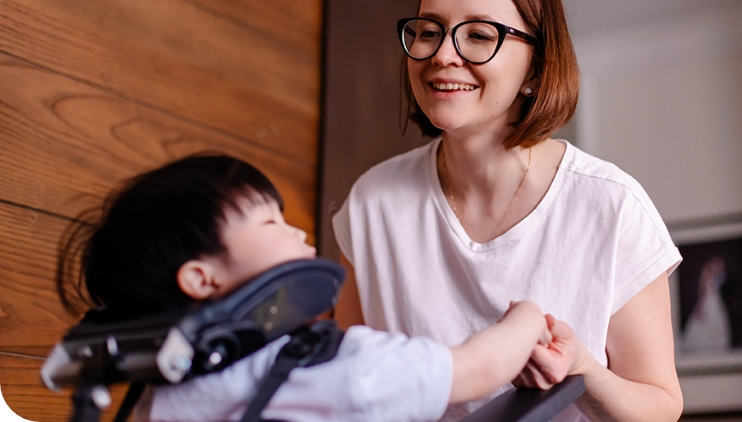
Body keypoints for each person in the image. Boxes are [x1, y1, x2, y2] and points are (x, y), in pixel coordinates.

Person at [331, 0, 685, 420]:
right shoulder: (371, 203)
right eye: (429, 31)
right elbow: (348, 386)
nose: (442, 55)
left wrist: (580, 368)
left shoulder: (611, 206)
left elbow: (661, 407)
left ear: (536, 66)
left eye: (478, 35)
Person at [56, 154, 557, 422]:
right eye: (270, 223)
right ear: (203, 277)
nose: (297, 231)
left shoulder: (156, 396)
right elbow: (476, 369)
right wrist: (529, 315)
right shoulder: (332, 364)